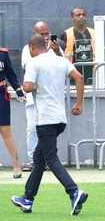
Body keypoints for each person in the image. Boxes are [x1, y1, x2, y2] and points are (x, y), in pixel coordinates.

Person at [11, 35, 88, 215]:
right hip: (60, 119)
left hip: (45, 118)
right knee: (39, 160)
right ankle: (28, 199)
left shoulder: (34, 62)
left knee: (50, 159)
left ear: (31, 48)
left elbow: (27, 87)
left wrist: (36, 85)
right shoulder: (61, 61)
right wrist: (78, 104)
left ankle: (74, 191)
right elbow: (79, 77)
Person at [21, 21, 62, 172]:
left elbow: (66, 66)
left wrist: (57, 51)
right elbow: (28, 67)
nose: (46, 37)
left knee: (50, 129)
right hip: (34, 97)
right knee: (32, 128)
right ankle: (34, 160)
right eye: (42, 34)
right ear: (35, 34)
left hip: (51, 98)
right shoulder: (28, 48)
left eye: (47, 33)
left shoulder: (55, 48)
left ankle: (48, 159)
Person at [0, 47, 26, 178]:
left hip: (1, 94)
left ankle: (16, 166)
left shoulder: (3, 54)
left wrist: (18, 91)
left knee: (5, 130)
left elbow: (10, 73)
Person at [60, 7, 95, 83]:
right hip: (73, 73)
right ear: (72, 18)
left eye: (83, 14)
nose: (81, 17)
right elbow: (61, 54)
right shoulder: (66, 34)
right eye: (78, 15)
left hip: (91, 71)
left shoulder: (93, 32)